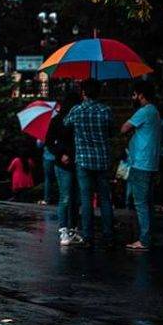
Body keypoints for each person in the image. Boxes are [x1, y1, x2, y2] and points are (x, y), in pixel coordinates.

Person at [65, 78, 115, 247]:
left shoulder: (76, 111)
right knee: (105, 199)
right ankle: (108, 237)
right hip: (102, 159)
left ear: (83, 92)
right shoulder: (105, 110)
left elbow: (66, 124)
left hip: (84, 160)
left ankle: (88, 237)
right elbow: (112, 131)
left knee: (86, 200)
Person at [121, 79, 161, 251]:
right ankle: (148, 236)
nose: (133, 97)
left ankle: (144, 239)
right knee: (147, 202)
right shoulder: (154, 111)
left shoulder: (144, 112)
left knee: (140, 203)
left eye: (134, 94)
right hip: (150, 163)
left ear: (141, 95)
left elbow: (124, 128)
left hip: (141, 163)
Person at [45, 93, 83, 246]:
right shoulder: (58, 121)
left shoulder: (74, 120)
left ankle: (72, 230)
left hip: (73, 161)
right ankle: (64, 229)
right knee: (67, 197)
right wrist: (61, 154)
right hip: (65, 162)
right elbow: (49, 141)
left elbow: (49, 142)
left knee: (73, 198)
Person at [38, 141, 57, 206]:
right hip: (60, 157)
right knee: (62, 179)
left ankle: (47, 199)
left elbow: (39, 145)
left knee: (48, 180)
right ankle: (64, 200)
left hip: (48, 158)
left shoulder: (44, 132)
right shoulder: (62, 131)